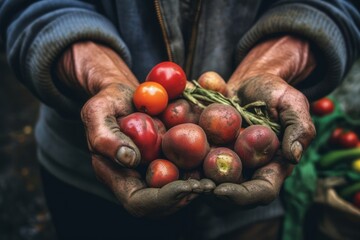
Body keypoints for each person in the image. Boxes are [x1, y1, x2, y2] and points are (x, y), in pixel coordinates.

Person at [0, 0, 359, 239]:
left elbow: (335, 5)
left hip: (247, 213)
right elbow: (31, 6)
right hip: (87, 175)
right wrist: (103, 78)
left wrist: (270, 67)